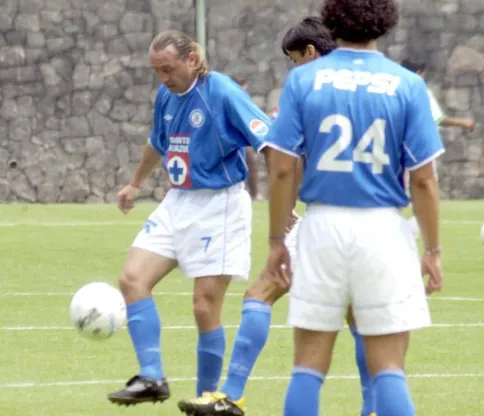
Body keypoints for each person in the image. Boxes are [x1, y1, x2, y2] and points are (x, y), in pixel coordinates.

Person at [177, 16, 375, 416]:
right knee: (359, 317)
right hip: (373, 219)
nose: (293, 68)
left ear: (310, 52)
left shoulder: (304, 89)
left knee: (261, 292)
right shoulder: (379, 85)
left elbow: (285, 162)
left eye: (292, 59)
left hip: (325, 218)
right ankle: (373, 408)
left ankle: (230, 396)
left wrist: (282, 217)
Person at [264, 0, 443, 415]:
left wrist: (277, 241)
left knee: (307, 366)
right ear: (386, 20)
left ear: (331, 19)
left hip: (322, 225)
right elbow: (423, 180)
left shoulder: (303, 81)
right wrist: (432, 251)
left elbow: (281, 170)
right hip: (382, 229)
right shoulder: (406, 85)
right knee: (389, 368)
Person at [107, 30, 271, 407]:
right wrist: (134, 184)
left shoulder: (223, 93)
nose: (163, 78)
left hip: (221, 206)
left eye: (168, 69)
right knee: (132, 279)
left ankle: (207, 399)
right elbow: (157, 142)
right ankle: (151, 376)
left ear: (192, 60)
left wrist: (286, 201)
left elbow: (269, 142)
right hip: (178, 201)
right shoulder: (166, 95)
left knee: (204, 307)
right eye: (157, 71)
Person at [400, 57, 476, 237]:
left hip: (395, 150)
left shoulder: (394, 88)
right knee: (426, 188)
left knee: (401, 191)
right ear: (419, 72)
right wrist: (464, 122)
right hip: (419, 150)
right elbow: (438, 118)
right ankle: (414, 232)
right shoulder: (419, 90)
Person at [231, 75, 262, 201]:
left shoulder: (243, 99)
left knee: (251, 163)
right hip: (231, 139)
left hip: (242, 139)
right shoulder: (229, 97)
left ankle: (255, 194)